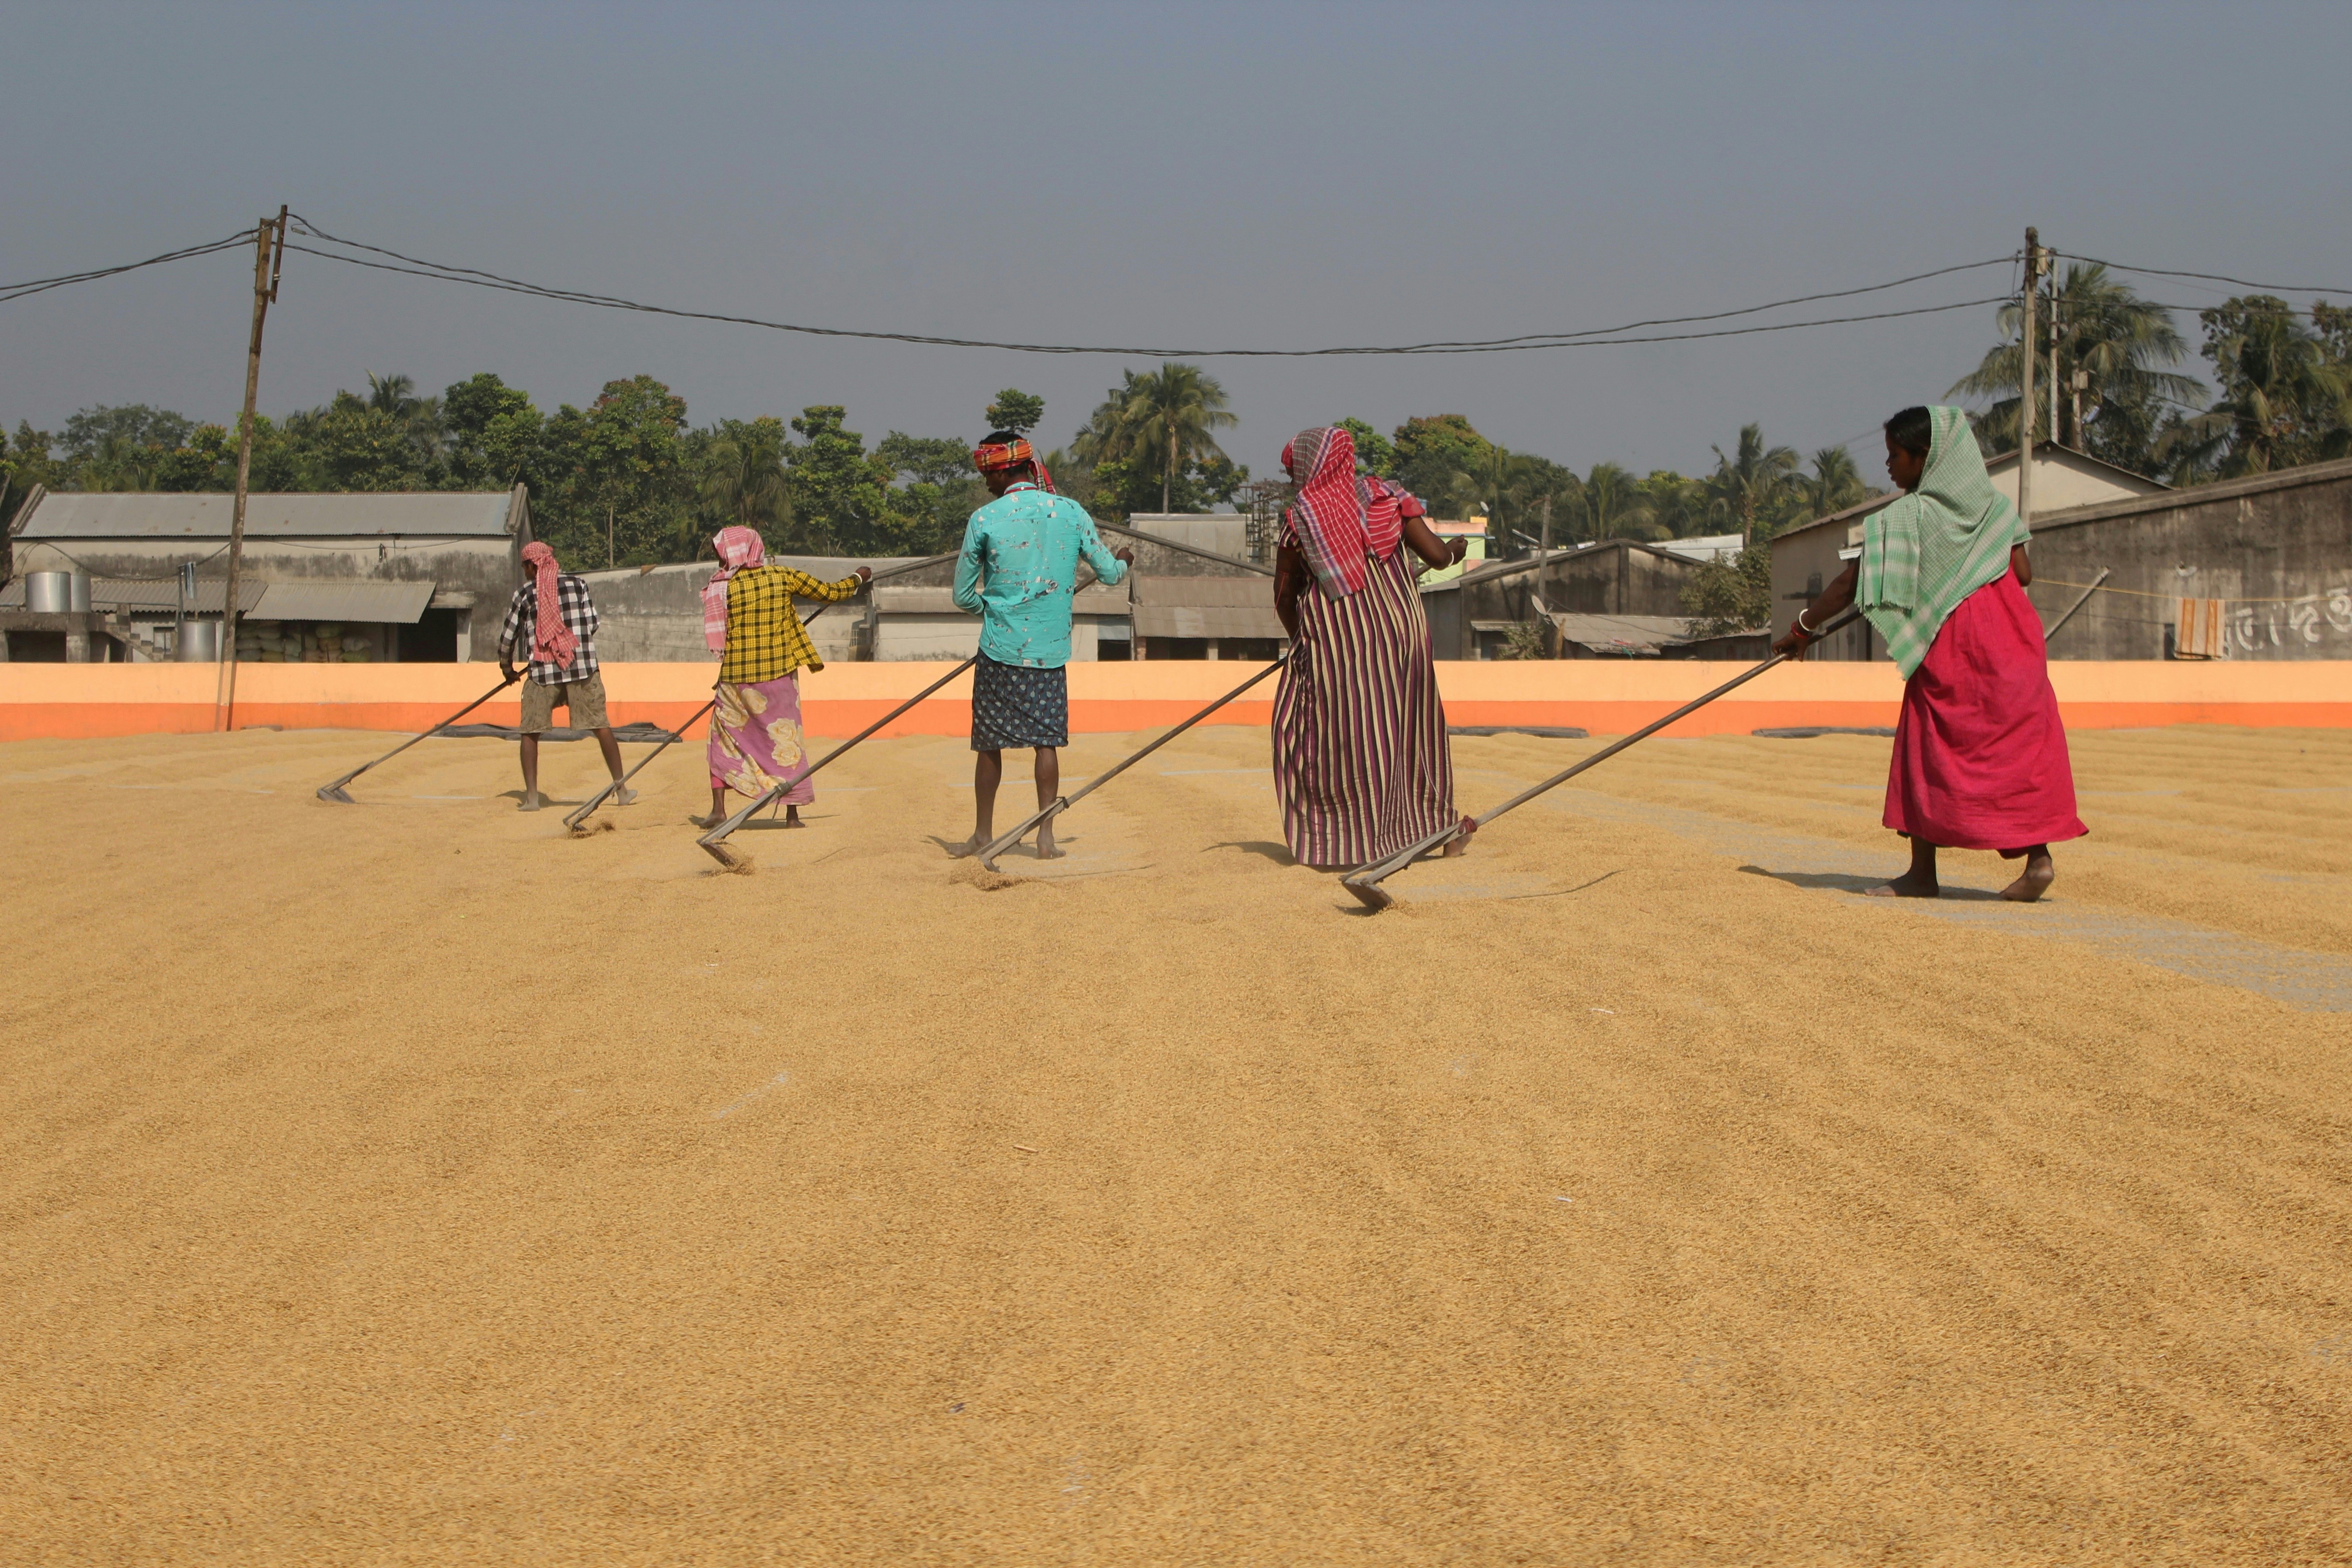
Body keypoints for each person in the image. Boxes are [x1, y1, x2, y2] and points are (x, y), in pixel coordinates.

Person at [1773, 404, 2085, 901]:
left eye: (1896, 455)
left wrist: (1803, 628)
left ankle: (1922, 874)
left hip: (1956, 645)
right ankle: (2038, 861)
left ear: (1927, 458)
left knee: (1926, 746)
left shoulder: (1909, 517)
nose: (1890, 466)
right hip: (2015, 644)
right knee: (2018, 750)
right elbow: (2022, 575)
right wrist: (1967, 564)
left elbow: (1853, 582)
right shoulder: (1995, 508)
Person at [1271, 425, 1475, 869]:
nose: (1293, 482)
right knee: (1410, 731)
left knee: (1330, 736)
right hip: (1405, 635)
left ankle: (1349, 841)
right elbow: (1438, 558)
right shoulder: (1389, 497)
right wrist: (1457, 551)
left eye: (1294, 472)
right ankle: (1436, 825)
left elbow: (1286, 598)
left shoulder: (1301, 519)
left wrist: (1300, 643)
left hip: (1343, 646)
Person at [947, 433, 1134, 860]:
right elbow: (1109, 574)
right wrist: (1126, 559)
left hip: (998, 649)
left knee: (989, 744)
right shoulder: (1070, 512)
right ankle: (1045, 838)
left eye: (988, 477)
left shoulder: (984, 518)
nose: (986, 486)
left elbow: (962, 596)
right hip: (1050, 652)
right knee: (1045, 742)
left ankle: (982, 835)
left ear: (1002, 471)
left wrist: (994, 612)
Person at [695, 525, 870, 829]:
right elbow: (831, 592)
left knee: (721, 738)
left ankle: (719, 810)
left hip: (736, 679)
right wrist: (859, 578)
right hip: (778, 677)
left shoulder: (721, 586)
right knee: (785, 740)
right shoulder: (782, 577)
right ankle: (792, 815)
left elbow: (722, 637)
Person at [498, 541, 631, 813]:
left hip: (541, 673)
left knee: (530, 732)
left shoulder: (525, 594)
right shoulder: (579, 585)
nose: (524, 571)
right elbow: (592, 624)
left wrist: (508, 669)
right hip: (581, 668)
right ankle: (622, 790)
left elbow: (508, 636)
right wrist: (569, 643)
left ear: (531, 565)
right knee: (600, 726)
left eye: (524, 566)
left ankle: (533, 799)